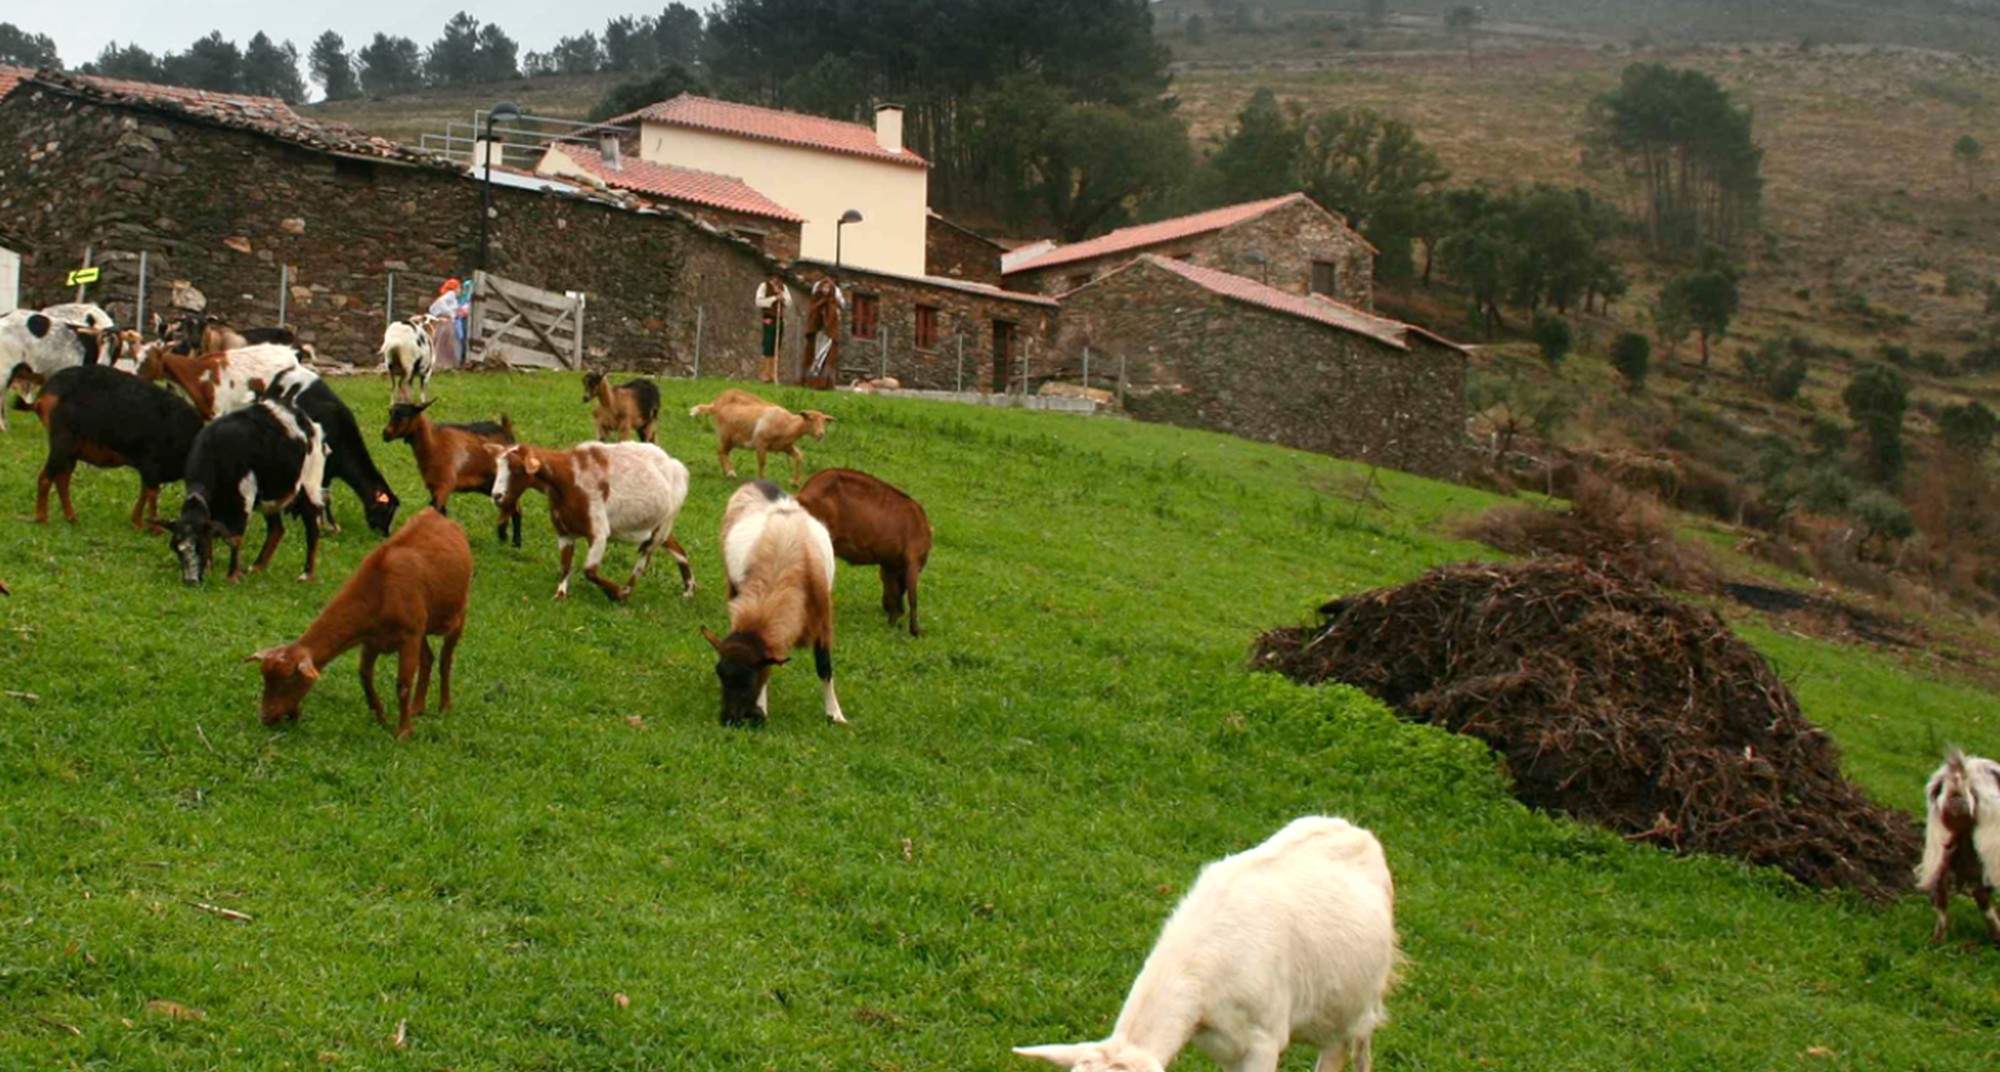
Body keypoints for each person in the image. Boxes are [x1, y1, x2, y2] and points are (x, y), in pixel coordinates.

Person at [755, 274, 789, 383]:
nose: (777, 280)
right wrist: (774, 298)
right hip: (769, 318)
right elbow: (759, 302)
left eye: (779, 278)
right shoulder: (764, 286)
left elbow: (789, 302)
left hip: (779, 319)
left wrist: (782, 297)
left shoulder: (783, 288)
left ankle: (773, 373)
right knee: (768, 345)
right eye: (775, 278)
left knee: (776, 347)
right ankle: (765, 373)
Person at [428, 279, 462, 370]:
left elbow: (432, 308)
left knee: (440, 341)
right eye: (459, 288)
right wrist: (450, 313)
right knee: (446, 342)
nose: (460, 290)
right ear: (455, 288)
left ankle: (439, 363)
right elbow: (444, 306)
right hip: (446, 322)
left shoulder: (446, 296)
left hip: (442, 321)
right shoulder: (450, 296)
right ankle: (444, 364)